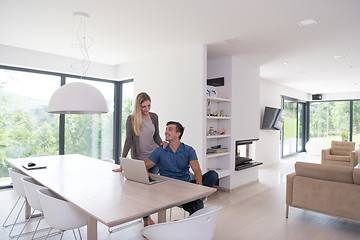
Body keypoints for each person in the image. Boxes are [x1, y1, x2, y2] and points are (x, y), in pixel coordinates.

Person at [113, 92, 165, 226]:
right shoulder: (131, 119)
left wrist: (162, 143)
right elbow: (129, 141)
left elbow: (156, 136)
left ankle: (147, 218)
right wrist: (122, 162)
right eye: (143, 107)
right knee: (142, 192)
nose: (147, 109)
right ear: (138, 106)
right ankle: (146, 218)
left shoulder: (154, 117)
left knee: (150, 191)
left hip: (154, 157)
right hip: (139, 159)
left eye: (149, 105)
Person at [145, 121, 218, 215]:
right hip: (168, 189)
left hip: (186, 186)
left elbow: (197, 170)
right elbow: (144, 165)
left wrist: (199, 187)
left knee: (213, 175)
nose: (166, 132)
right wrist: (146, 171)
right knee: (197, 204)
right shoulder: (160, 151)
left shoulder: (188, 150)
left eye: (170, 129)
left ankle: (196, 198)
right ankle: (193, 202)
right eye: (166, 129)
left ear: (178, 134)